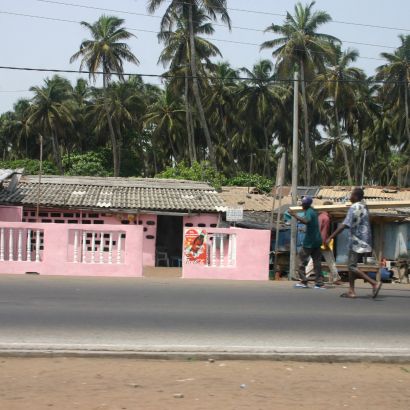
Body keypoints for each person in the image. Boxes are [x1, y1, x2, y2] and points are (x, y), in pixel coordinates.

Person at [326, 187, 382, 299]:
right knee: (352, 265)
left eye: (351, 195)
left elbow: (344, 224)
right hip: (364, 240)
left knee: (351, 266)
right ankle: (351, 291)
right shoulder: (364, 206)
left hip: (357, 241)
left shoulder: (354, 207)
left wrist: (331, 237)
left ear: (355, 197)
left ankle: (374, 283)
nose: (349, 197)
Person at [289, 196, 324, 289]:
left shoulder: (309, 212)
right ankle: (319, 283)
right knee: (317, 263)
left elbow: (306, 221)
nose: (301, 206)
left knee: (300, 261)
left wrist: (294, 215)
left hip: (310, 241)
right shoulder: (313, 211)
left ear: (305, 205)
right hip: (317, 240)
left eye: (302, 204)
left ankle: (304, 281)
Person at [318, 207, 342, 285]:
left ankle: (304, 275)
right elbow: (324, 232)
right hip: (323, 242)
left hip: (317, 241)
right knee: (331, 260)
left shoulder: (319, 216)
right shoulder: (326, 218)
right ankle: (336, 278)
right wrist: (325, 243)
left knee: (314, 260)